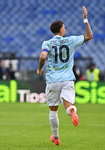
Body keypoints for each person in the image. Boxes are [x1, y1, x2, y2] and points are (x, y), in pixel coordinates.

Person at [37, 6, 93, 146]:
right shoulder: (70, 40)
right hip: (68, 79)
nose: (65, 29)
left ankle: (56, 137)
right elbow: (89, 36)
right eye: (64, 27)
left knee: (53, 111)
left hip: (53, 80)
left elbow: (43, 55)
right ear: (61, 30)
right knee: (68, 105)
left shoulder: (47, 43)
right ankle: (72, 111)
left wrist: (39, 68)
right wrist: (85, 19)